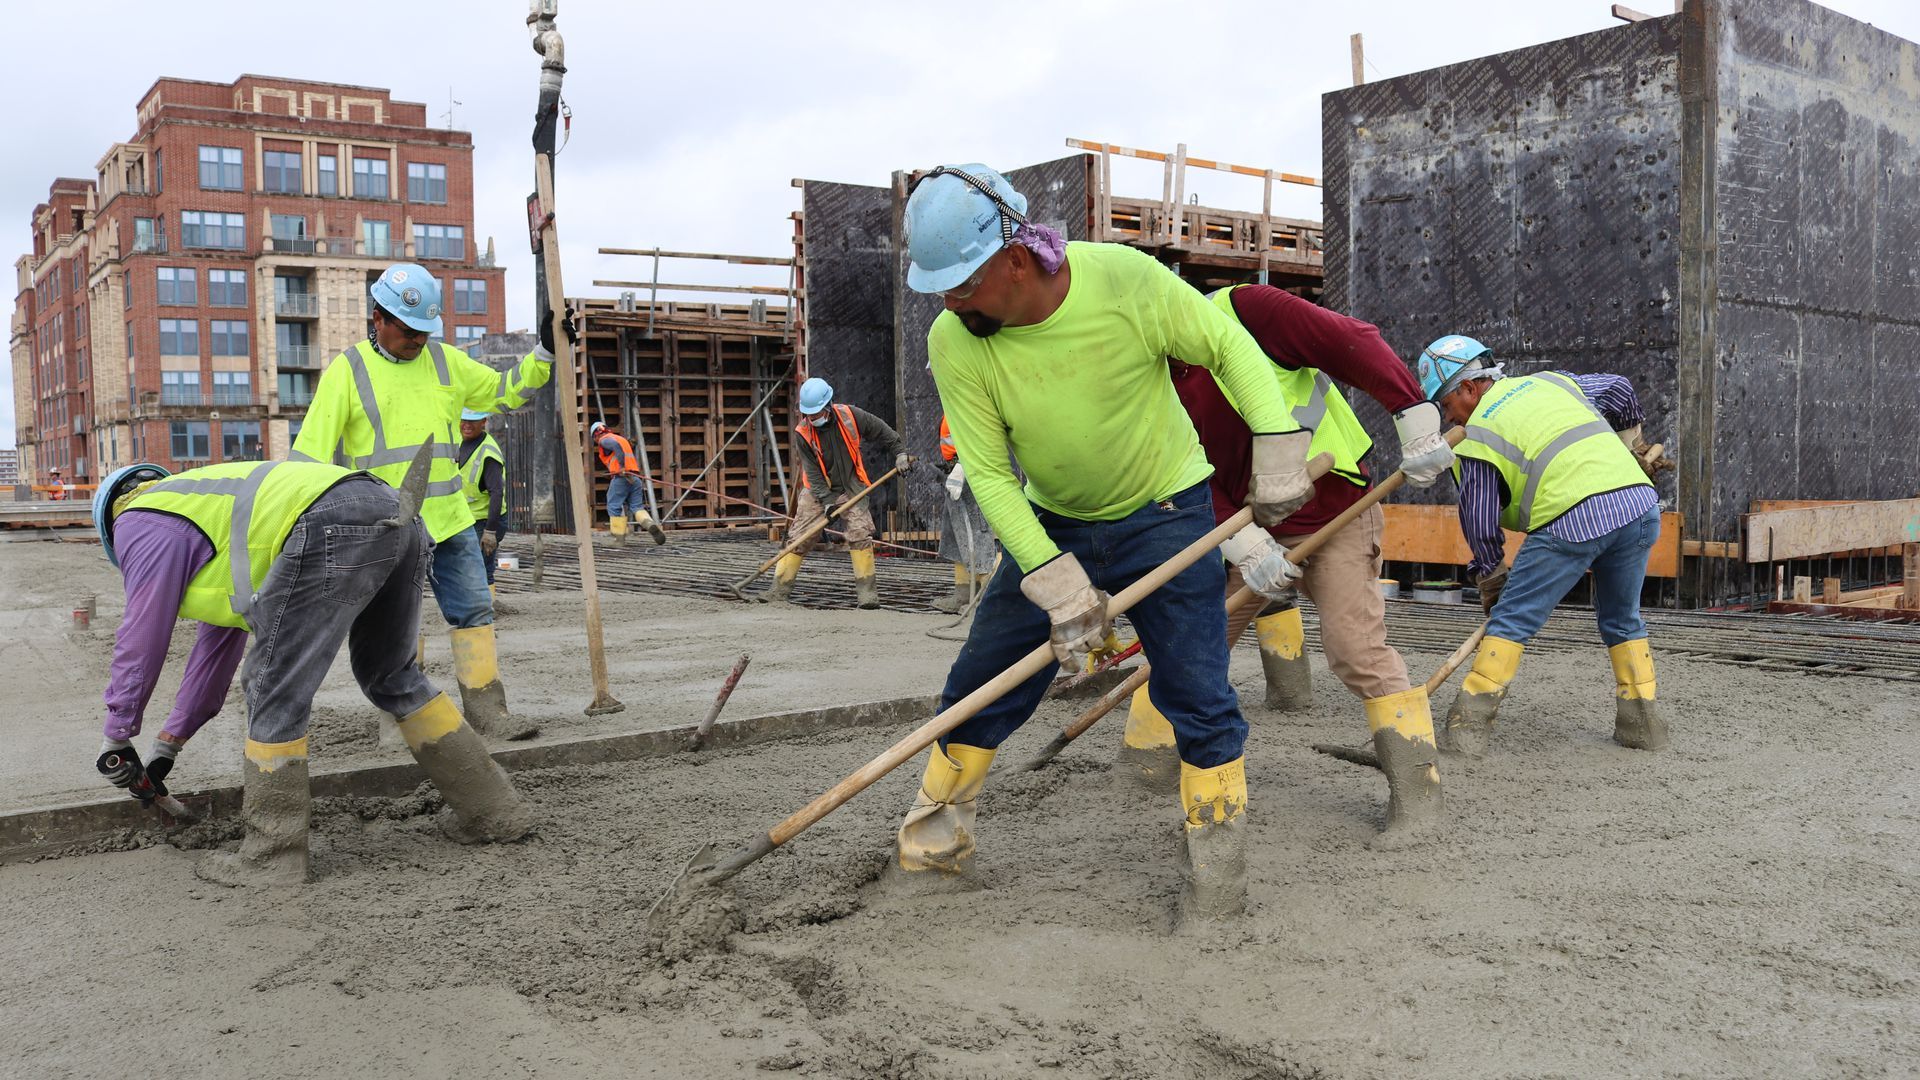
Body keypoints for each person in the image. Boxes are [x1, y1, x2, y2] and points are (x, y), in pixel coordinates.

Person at [890, 163, 1314, 921]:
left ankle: (1218, 880)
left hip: (1168, 512)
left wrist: (1277, 442)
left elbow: (1227, 345)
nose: (950, 302)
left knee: (1199, 696)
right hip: (1052, 523)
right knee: (982, 682)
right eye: (939, 288)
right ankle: (933, 850)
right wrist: (1053, 580)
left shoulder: (1124, 280)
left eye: (962, 284)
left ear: (1014, 258)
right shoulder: (956, 339)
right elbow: (990, 472)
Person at [90, 450, 533, 886]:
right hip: (396, 510)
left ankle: (272, 856)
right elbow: (213, 658)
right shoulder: (203, 512)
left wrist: (117, 737)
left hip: (328, 520)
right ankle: (493, 811)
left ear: (109, 525)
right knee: (392, 675)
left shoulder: (139, 520)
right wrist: (168, 746)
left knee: (272, 685)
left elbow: (141, 636)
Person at [1131, 283, 1455, 841]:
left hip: (1337, 514)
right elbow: (1178, 475)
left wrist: (1413, 413)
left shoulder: (1245, 312)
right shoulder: (1144, 381)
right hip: (1247, 524)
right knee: (1188, 646)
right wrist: (1244, 545)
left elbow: (1353, 340)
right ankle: (1142, 769)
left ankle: (1418, 794)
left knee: (1356, 651)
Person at [292, 263, 564, 741]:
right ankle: (402, 720)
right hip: (387, 528)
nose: (418, 339)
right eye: (408, 330)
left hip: (450, 519)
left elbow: (504, 392)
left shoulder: (445, 362)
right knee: (395, 627)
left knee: (475, 610)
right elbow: (309, 457)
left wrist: (544, 351)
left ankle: (489, 713)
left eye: (424, 331)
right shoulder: (348, 370)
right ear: (378, 318)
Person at [1418, 335, 1668, 757]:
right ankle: (1642, 726)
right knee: (1623, 619)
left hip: (1572, 517)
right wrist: (1633, 448)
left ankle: (1466, 730)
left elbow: (1479, 521)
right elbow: (1619, 389)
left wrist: (1491, 578)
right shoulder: (1552, 382)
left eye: (1446, 405)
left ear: (1470, 388)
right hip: (1638, 507)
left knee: (1511, 621)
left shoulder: (1476, 435)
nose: (1448, 418)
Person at [765, 376, 908, 610]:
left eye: (816, 414)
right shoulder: (803, 432)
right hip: (817, 489)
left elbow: (882, 430)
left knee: (860, 532)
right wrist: (828, 502)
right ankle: (778, 590)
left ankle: (867, 595)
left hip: (850, 484)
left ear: (828, 406)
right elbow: (813, 473)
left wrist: (900, 452)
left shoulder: (851, 416)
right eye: (808, 415)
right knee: (800, 536)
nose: (812, 419)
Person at [931, 414, 997, 613]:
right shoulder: (952, 404)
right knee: (956, 538)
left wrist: (963, 464)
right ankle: (963, 595)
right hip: (956, 474)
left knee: (978, 537)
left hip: (973, 472)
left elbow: (983, 437)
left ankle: (987, 601)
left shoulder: (972, 403)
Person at [589, 418, 665, 545]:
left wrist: (621, 467)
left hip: (622, 478)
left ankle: (619, 540)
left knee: (613, 506)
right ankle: (650, 524)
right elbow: (619, 453)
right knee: (637, 507)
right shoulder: (621, 439)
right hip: (634, 478)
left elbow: (615, 447)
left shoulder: (604, 440)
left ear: (596, 435)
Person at [457, 408, 506, 587]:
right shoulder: (458, 442)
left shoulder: (488, 454)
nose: (467, 425)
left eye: (472, 421)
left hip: (486, 520)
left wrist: (490, 531)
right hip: (466, 518)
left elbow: (497, 493)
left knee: (481, 570)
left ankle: (488, 602)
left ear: (483, 422)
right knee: (465, 569)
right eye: (464, 420)